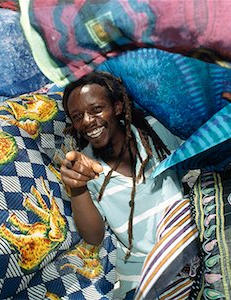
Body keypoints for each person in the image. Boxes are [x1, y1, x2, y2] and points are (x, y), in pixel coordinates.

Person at [60, 71, 187, 299]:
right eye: (77, 116)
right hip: (139, 277)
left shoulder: (156, 135)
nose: (87, 121)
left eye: (96, 109)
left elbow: (203, 145)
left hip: (186, 248)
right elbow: (93, 236)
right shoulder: (83, 168)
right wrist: (77, 188)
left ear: (117, 107)